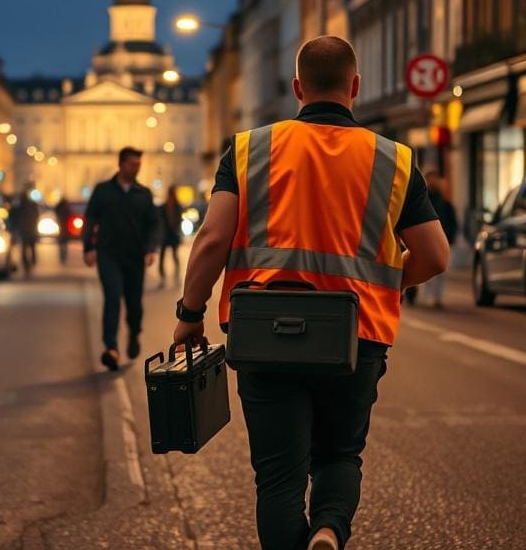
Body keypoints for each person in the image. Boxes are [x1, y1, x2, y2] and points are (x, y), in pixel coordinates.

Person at [172, 36, 449, 550]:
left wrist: (190, 313)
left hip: (264, 334)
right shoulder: (394, 160)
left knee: (278, 478)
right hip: (355, 334)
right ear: (356, 86)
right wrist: (392, 283)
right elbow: (434, 255)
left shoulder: (250, 148)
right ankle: (327, 531)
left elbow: (213, 239)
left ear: (297, 87)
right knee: (340, 456)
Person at [83, 146, 159, 371]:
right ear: (121, 164)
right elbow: (90, 219)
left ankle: (134, 333)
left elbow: (154, 224)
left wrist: (151, 248)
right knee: (112, 298)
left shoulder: (143, 194)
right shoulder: (103, 190)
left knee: (134, 304)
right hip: (109, 255)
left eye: (139, 165)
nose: (136, 168)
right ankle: (111, 349)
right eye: (132, 164)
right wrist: (89, 247)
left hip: (135, 257)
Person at [421, 168, 458, 309]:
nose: (433, 181)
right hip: (426, 240)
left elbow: (452, 220)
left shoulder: (444, 201)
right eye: (430, 178)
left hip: (443, 239)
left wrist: (451, 237)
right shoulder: (423, 198)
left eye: (435, 178)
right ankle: (427, 297)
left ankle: (438, 298)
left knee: (440, 270)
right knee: (428, 270)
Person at [157, 186, 184, 287]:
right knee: (162, 257)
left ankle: (176, 276)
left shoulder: (177, 206)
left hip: (173, 235)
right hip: (165, 235)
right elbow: (160, 221)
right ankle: (162, 278)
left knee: (174, 256)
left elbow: (179, 220)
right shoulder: (163, 207)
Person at [16, 188, 40, 277]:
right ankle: (31, 263)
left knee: (26, 248)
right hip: (30, 230)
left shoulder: (21, 207)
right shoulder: (30, 206)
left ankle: (28, 263)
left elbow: (17, 219)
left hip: (26, 230)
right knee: (31, 248)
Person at [55, 197, 72, 264]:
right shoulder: (66, 209)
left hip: (62, 227)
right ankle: (63, 256)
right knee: (64, 242)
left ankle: (62, 256)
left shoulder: (60, 208)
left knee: (62, 242)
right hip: (65, 227)